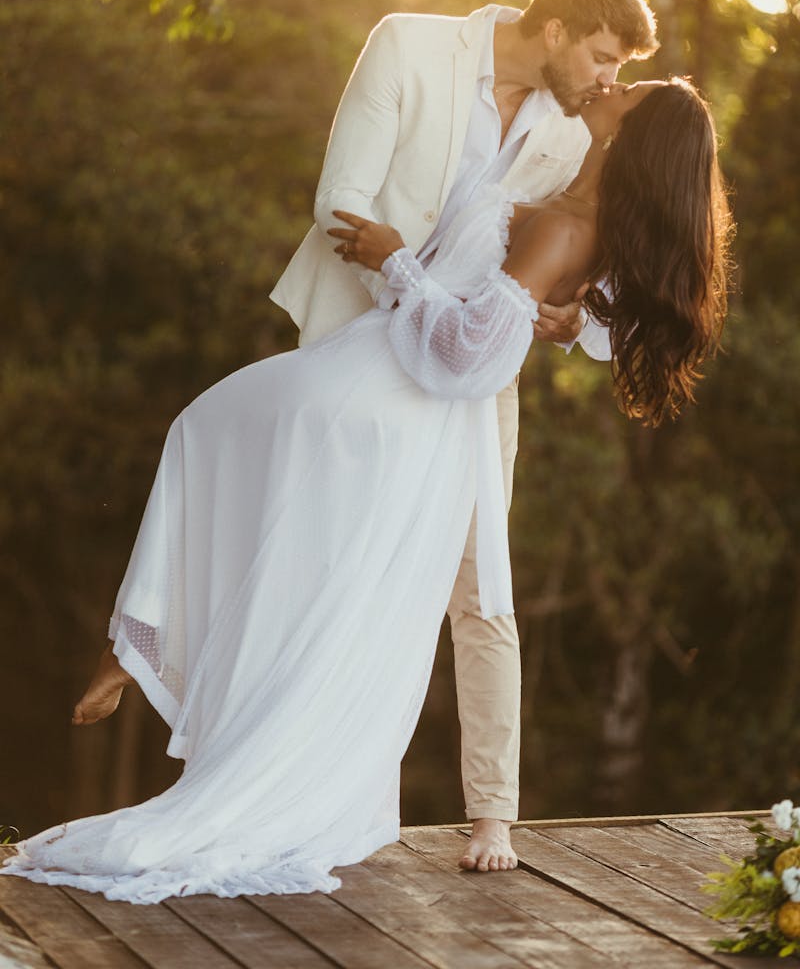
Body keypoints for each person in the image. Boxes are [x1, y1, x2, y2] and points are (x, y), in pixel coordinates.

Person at [0, 76, 731, 905]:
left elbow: (466, 360)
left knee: (205, 435)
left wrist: (397, 262)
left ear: (629, 133)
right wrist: (560, 313)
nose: (612, 83)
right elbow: (555, 318)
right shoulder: (582, 211)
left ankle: (142, 644)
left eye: (627, 88)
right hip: (397, 403)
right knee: (306, 561)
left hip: (383, 393)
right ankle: (151, 651)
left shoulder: (566, 225)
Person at [270, 0, 659, 871]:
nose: (609, 81)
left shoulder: (573, 133)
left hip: (474, 383)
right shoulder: (408, 44)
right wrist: (416, 316)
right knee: (331, 572)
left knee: (483, 592)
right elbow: (343, 204)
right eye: (603, 55)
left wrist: (565, 320)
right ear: (556, 28)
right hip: (355, 354)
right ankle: (321, 794)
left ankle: (493, 814)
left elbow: (578, 262)